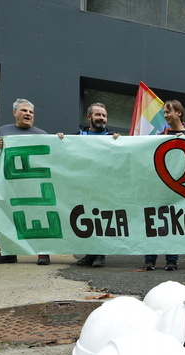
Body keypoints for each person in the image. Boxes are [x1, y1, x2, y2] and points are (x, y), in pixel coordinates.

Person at [0, 99, 51, 266]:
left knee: (40, 214)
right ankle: (8, 252)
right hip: (12, 184)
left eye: (31, 112)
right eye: (24, 110)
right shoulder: (4, 130)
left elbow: (53, 156)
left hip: (35, 183)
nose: (28, 114)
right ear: (15, 113)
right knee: (8, 215)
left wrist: (61, 140)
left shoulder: (43, 135)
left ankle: (43, 253)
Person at [62, 102, 120, 268]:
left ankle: (100, 254)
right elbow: (64, 149)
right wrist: (59, 139)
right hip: (83, 186)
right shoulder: (78, 135)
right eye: (98, 115)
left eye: (104, 115)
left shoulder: (114, 137)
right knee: (88, 219)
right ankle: (90, 253)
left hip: (105, 186)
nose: (101, 118)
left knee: (101, 219)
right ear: (89, 117)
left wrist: (119, 141)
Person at [144, 100, 185, 271]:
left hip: (182, 188)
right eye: (164, 113)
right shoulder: (159, 137)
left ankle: (171, 259)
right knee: (154, 221)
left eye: (168, 112)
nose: (165, 116)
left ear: (179, 113)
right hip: (160, 187)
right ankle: (150, 259)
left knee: (176, 222)